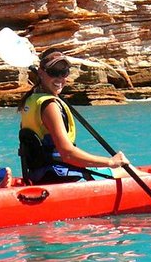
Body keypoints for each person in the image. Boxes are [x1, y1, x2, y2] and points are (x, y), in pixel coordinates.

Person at [17, 48, 130, 184]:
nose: (60, 78)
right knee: (129, 171)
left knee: (126, 170)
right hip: (62, 175)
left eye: (64, 72)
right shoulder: (50, 106)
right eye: (54, 72)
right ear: (41, 73)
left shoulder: (30, 101)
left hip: (39, 175)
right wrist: (111, 161)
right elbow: (67, 154)